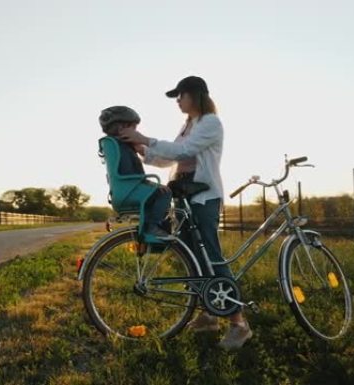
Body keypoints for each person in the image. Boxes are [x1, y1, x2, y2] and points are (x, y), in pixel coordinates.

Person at [118, 76, 252, 350]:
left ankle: (239, 324)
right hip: (184, 198)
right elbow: (171, 157)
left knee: (211, 257)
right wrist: (143, 149)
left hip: (203, 198)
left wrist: (146, 138)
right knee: (192, 259)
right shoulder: (187, 125)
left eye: (180, 95)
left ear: (195, 95)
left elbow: (186, 150)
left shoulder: (210, 123)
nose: (178, 100)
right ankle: (209, 315)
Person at [98, 105, 172, 238]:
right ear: (122, 128)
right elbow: (131, 174)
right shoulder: (123, 147)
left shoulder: (113, 144)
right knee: (165, 193)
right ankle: (152, 228)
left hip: (123, 190)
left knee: (159, 192)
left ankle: (150, 229)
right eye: (134, 128)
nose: (136, 132)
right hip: (130, 189)